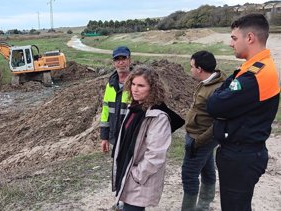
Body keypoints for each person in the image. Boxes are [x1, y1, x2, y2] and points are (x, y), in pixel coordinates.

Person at [207, 14, 280, 211]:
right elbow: (223, 93)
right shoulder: (252, 68)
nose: (231, 43)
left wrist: (219, 94)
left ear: (250, 38)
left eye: (234, 38)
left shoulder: (256, 75)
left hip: (241, 156)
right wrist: (222, 92)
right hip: (242, 152)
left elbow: (214, 105)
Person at [112, 65, 184, 211]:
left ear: (152, 89)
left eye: (141, 85)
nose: (135, 89)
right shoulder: (134, 108)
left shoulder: (158, 117)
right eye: (133, 84)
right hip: (127, 172)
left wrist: (137, 175)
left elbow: (156, 154)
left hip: (138, 180)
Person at [181, 51, 226, 211]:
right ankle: (205, 204)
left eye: (192, 66)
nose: (190, 69)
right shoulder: (208, 82)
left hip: (200, 137)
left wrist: (198, 141)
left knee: (189, 174)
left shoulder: (217, 89)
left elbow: (219, 122)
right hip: (199, 135)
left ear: (200, 68)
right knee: (207, 168)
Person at [100, 46, 132, 153]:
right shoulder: (110, 85)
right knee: (117, 168)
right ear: (114, 63)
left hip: (132, 140)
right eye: (117, 59)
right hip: (115, 140)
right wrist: (105, 137)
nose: (121, 62)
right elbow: (105, 113)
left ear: (129, 60)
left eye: (124, 58)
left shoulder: (136, 84)